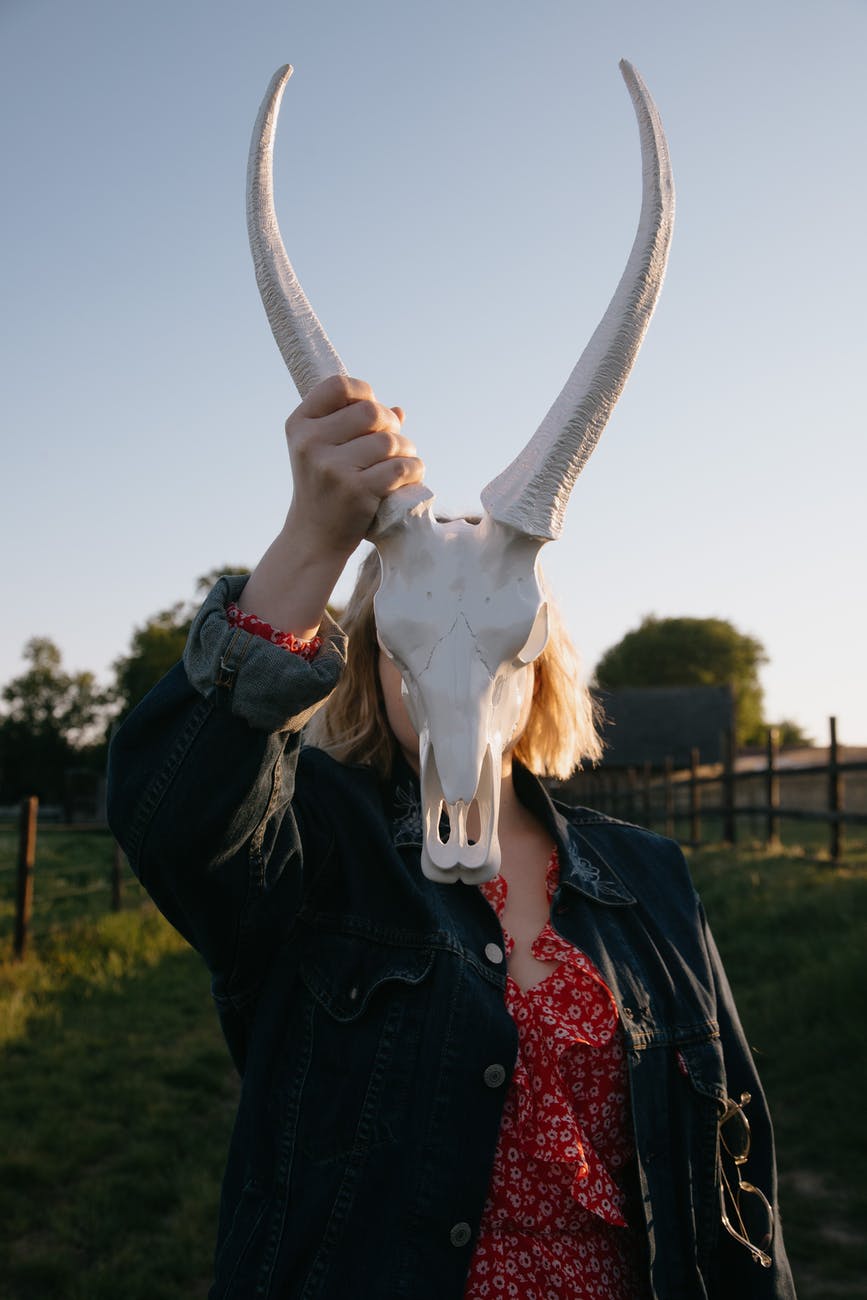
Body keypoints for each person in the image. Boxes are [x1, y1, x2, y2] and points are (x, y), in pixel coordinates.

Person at [107, 376, 796, 1299]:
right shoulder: (312, 846)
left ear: (538, 653)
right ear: (368, 651)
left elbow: (732, 1173)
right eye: (417, 634)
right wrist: (310, 547)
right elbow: (176, 820)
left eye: (493, 635)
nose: (457, 671)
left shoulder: (650, 876)